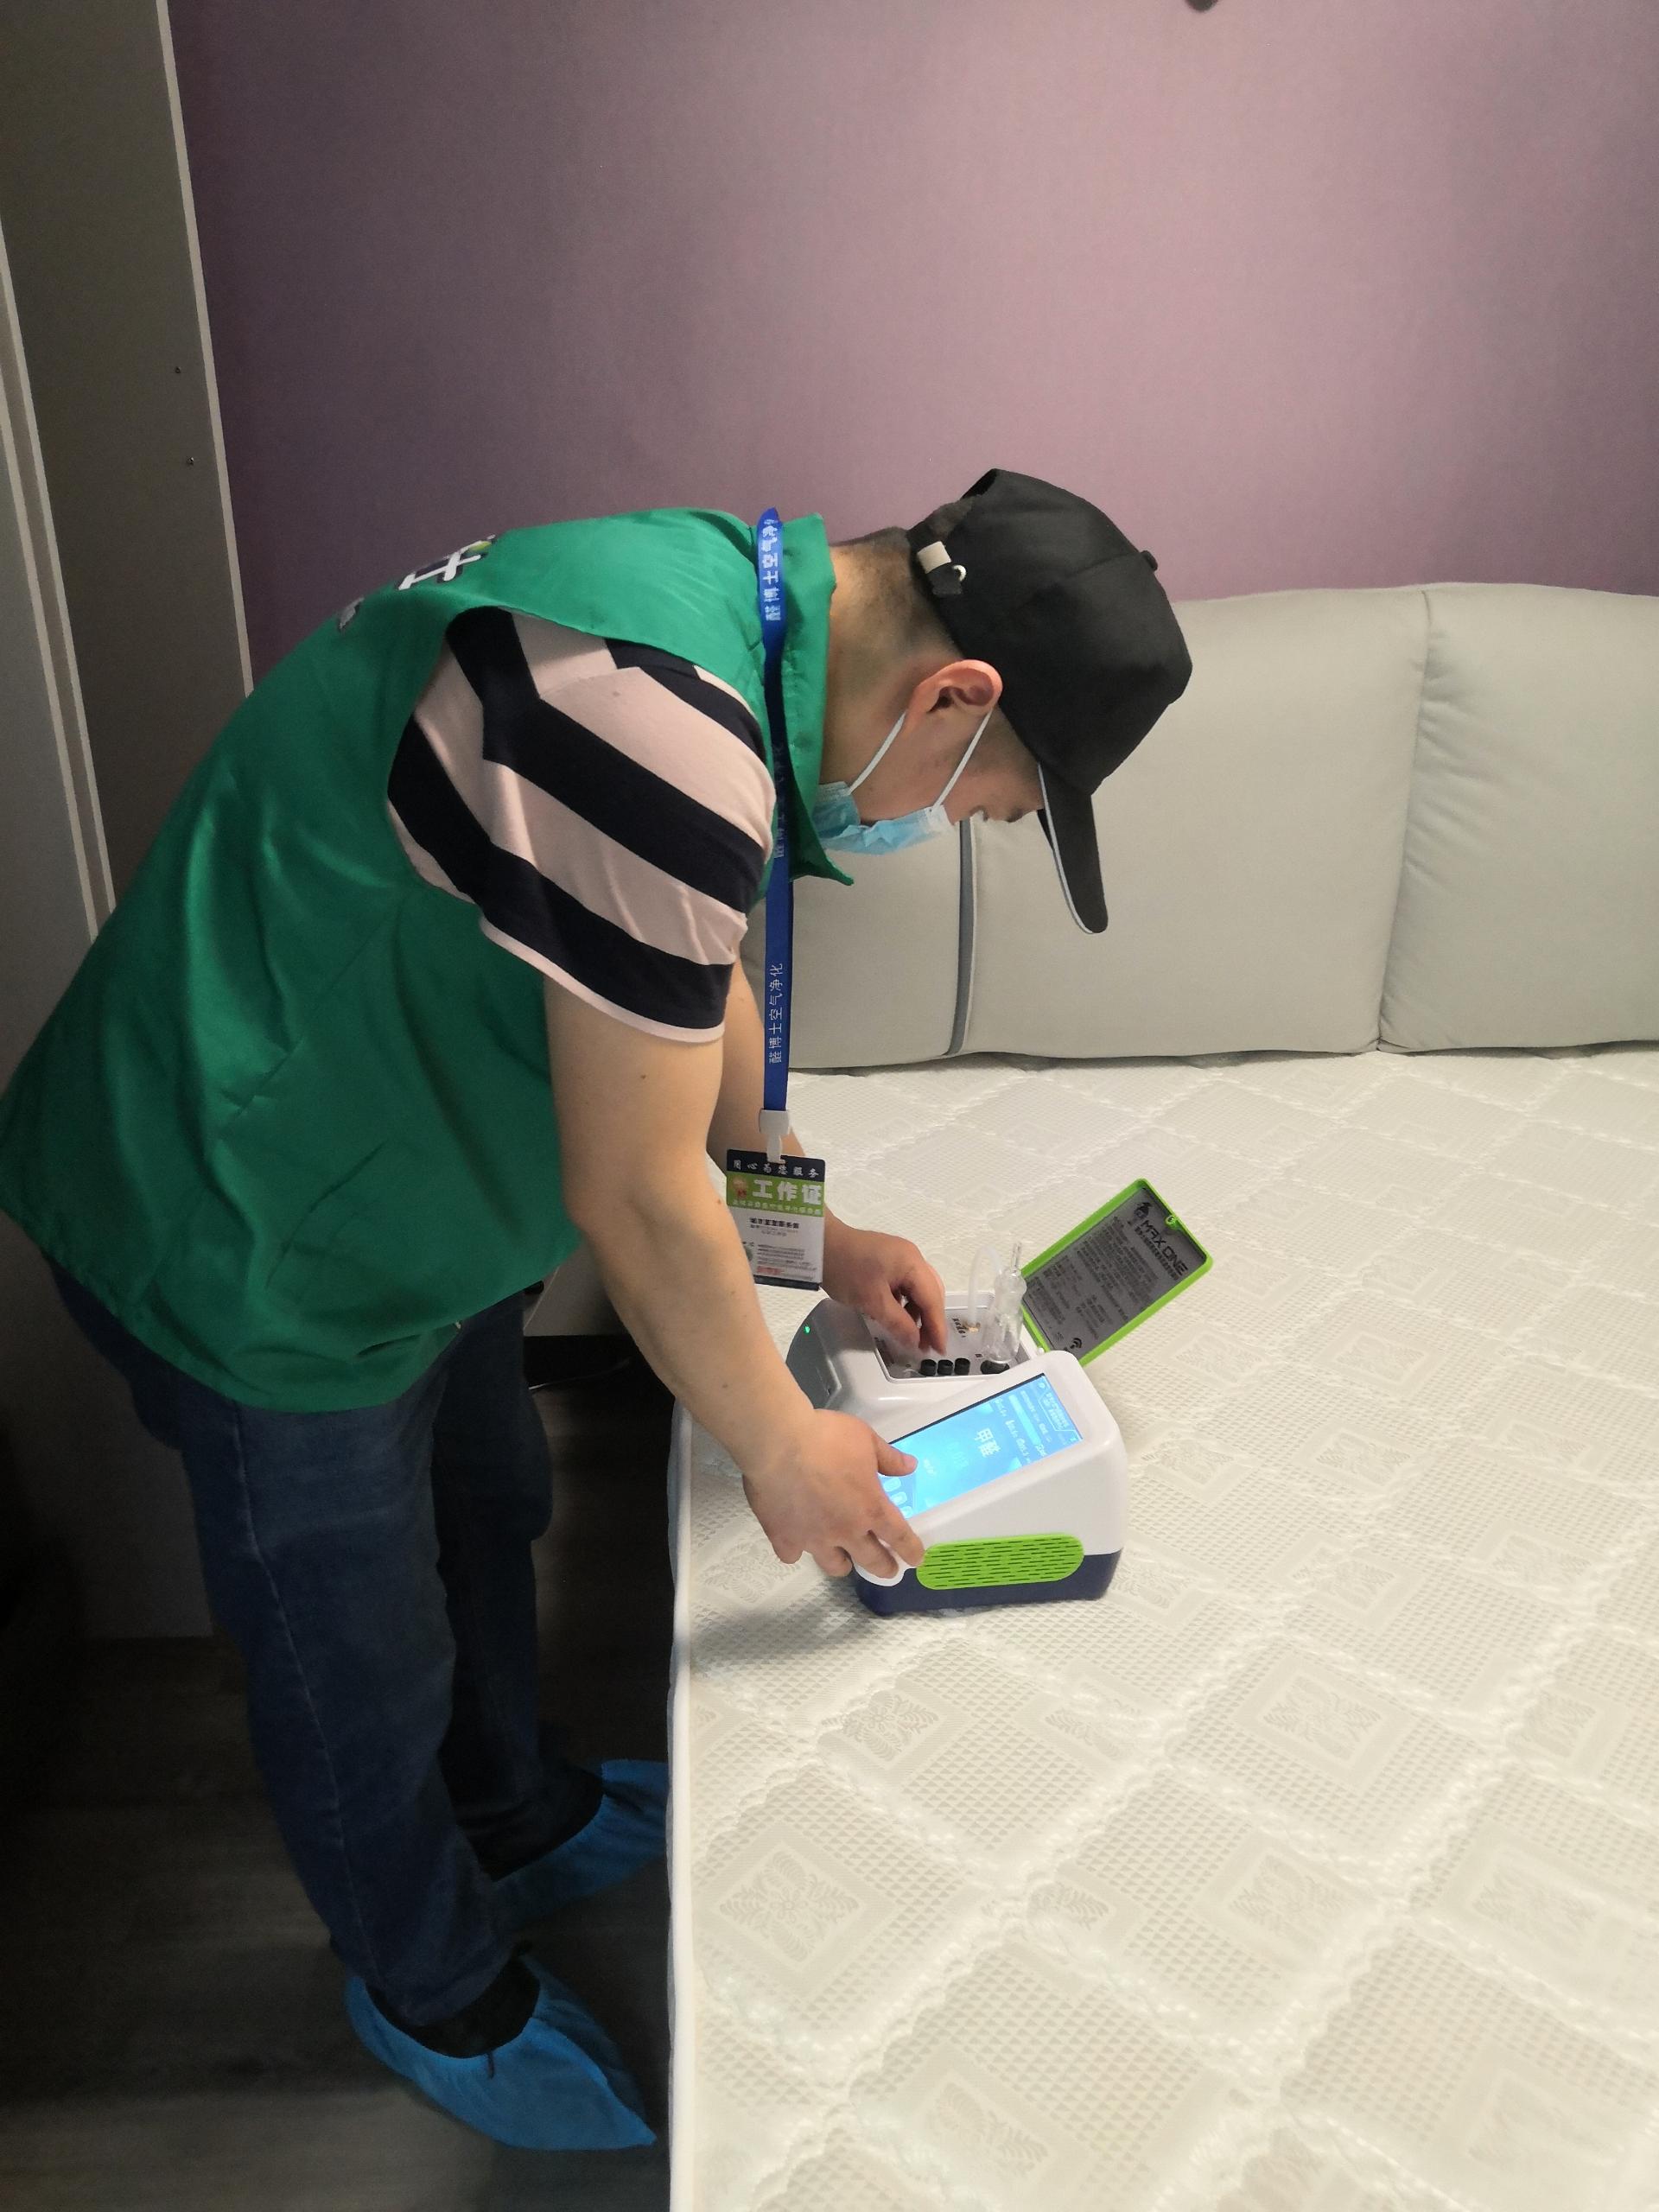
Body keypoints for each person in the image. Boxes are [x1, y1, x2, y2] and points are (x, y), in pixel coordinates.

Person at [0, 467, 1190, 2148]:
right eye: (994, 805)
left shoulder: (730, 613)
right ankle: (428, 1979)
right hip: (247, 1211)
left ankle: (518, 1806)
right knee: (356, 1659)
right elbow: (632, 1195)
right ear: (953, 696)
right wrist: (781, 1443)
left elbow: (687, 986)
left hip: (406, 1187)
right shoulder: (657, 721)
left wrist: (819, 1238)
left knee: (494, 1499)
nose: (965, 827)